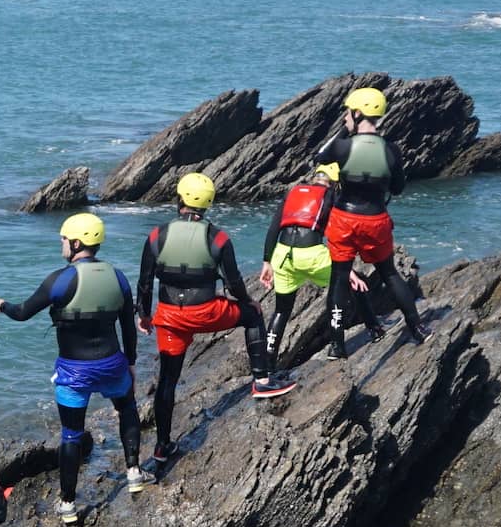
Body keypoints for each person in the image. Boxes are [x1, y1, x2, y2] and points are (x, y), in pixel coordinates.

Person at [0, 211, 143, 522]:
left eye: (63, 239)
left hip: (75, 372)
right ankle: (134, 472)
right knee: (127, 410)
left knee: (72, 434)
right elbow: (128, 323)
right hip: (113, 364)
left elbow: (22, 313)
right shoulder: (118, 276)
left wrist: (1, 306)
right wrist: (130, 362)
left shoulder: (60, 281)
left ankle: (68, 503)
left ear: (75, 243)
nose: (61, 244)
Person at [136, 171, 293, 474]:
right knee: (253, 316)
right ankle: (261, 380)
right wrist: (248, 301)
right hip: (206, 312)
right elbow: (233, 282)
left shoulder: (157, 236)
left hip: (169, 317)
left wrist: (144, 315)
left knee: (167, 379)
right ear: (207, 204)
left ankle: (163, 445)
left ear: (179, 199)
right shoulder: (218, 237)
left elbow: (144, 283)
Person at [311, 84, 429, 356]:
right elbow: (398, 188)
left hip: (344, 219)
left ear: (357, 112)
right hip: (375, 219)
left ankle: (337, 346)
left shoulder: (342, 147)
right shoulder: (391, 150)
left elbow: (320, 156)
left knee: (339, 280)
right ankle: (417, 328)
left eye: (347, 114)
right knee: (389, 272)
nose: (344, 118)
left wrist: (345, 131)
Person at [258, 169, 342, 354]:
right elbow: (337, 231)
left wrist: (266, 262)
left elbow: (273, 229)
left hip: (282, 255)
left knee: (281, 311)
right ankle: (338, 346)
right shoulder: (331, 195)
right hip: (311, 255)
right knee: (344, 285)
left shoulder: (293, 192)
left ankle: (267, 365)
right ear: (335, 182)